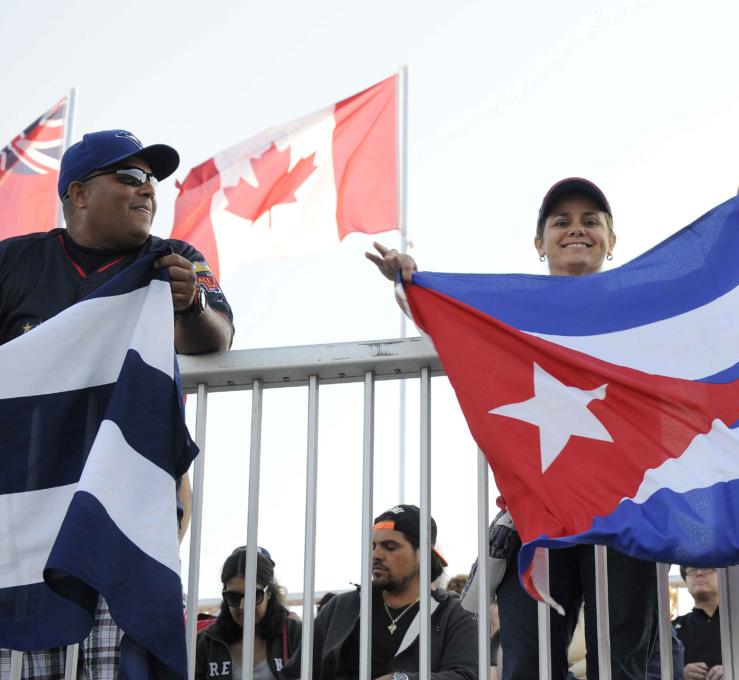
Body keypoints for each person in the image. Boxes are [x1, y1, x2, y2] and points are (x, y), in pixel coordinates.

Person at [367, 178, 657, 680]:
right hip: (535, 518)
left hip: (627, 511)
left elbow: (715, 309)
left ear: (613, 241)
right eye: (560, 221)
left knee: (624, 663)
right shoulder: (509, 310)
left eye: (591, 221)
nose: (576, 230)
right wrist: (410, 283)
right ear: (538, 243)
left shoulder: (646, 305)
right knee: (528, 668)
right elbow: (442, 315)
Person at [0, 129, 233, 678]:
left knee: (126, 659)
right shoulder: (14, 262)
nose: (148, 190)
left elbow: (216, 337)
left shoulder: (175, 260)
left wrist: (190, 304)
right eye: (129, 177)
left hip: (126, 505)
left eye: (152, 181)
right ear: (78, 194)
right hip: (27, 510)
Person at [283, 504, 477, 680]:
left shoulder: (453, 614)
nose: (376, 555)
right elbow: (293, 674)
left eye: (390, 547)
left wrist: (401, 679)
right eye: (373, 546)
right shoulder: (340, 608)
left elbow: (467, 676)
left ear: (422, 555)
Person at [195, 546, 301, 679]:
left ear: (269, 593)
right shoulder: (205, 643)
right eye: (233, 597)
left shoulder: (295, 634)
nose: (243, 605)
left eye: (253, 595)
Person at [672, 567, 721, 680]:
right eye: (692, 569)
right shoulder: (671, 629)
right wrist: (679, 673)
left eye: (706, 567)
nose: (699, 573)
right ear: (685, 580)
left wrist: (736, 669)